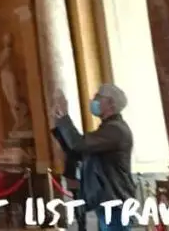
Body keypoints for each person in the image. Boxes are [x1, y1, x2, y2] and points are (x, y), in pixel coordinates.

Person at [53, 84, 136, 231]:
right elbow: (78, 152)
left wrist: (65, 116)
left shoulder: (115, 130)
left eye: (98, 97)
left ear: (110, 103)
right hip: (106, 200)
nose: (94, 101)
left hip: (115, 201)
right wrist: (60, 122)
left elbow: (78, 144)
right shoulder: (107, 128)